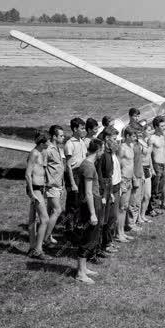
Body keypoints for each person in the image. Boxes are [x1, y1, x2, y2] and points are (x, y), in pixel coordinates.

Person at [75, 138, 104, 283]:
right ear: (98, 150)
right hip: (89, 205)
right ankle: (80, 273)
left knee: (92, 236)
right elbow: (88, 193)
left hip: (94, 202)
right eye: (102, 149)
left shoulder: (89, 164)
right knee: (88, 237)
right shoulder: (88, 167)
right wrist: (92, 213)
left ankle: (84, 268)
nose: (103, 152)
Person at [25, 132, 51, 259]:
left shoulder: (42, 152)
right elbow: (27, 174)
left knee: (32, 219)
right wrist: (31, 192)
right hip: (35, 190)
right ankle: (38, 250)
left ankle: (32, 247)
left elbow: (41, 171)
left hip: (39, 189)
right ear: (42, 143)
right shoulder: (34, 153)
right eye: (48, 142)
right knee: (45, 219)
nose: (49, 143)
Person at [96, 126, 119, 255]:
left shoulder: (110, 152)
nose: (117, 141)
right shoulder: (103, 154)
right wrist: (105, 193)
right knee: (103, 220)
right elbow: (100, 174)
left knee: (110, 218)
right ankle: (100, 246)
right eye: (114, 139)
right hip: (104, 189)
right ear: (107, 138)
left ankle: (106, 243)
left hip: (110, 188)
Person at [43, 125, 66, 247]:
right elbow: (43, 167)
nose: (63, 137)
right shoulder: (48, 150)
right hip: (51, 186)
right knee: (57, 210)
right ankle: (45, 239)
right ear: (54, 136)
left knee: (50, 211)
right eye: (61, 135)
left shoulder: (58, 148)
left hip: (58, 185)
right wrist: (46, 183)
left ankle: (47, 235)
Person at [64, 117, 87, 235]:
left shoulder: (82, 141)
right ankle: (69, 228)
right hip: (73, 174)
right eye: (82, 128)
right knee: (73, 203)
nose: (84, 130)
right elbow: (68, 166)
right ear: (75, 129)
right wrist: (73, 183)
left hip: (82, 173)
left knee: (80, 201)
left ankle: (78, 225)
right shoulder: (69, 144)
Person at [116, 127, 136, 242]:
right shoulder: (122, 148)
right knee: (121, 208)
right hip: (123, 180)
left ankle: (122, 231)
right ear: (127, 136)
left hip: (129, 179)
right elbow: (117, 165)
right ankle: (118, 233)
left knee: (125, 207)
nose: (135, 138)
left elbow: (131, 164)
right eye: (133, 136)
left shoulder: (131, 146)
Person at [149, 115, 165, 210]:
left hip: (163, 164)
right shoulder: (152, 138)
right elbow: (149, 154)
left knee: (160, 187)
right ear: (156, 127)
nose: (164, 128)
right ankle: (151, 208)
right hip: (156, 165)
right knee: (154, 188)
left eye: (164, 126)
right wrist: (152, 168)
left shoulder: (163, 136)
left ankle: (156, 206)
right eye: (162, 126)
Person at [139, 122, 155, 222]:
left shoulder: (149, 142)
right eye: (148, 130)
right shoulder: (139, 142)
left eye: (150, 130)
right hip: (141, 169)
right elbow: (139, 158)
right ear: (143, 131)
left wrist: (152, 168)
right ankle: (139, 217)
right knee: (141, 196)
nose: (150, 132)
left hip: (148, 168)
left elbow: (149, 156)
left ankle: (143, 214)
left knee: (148, 195)